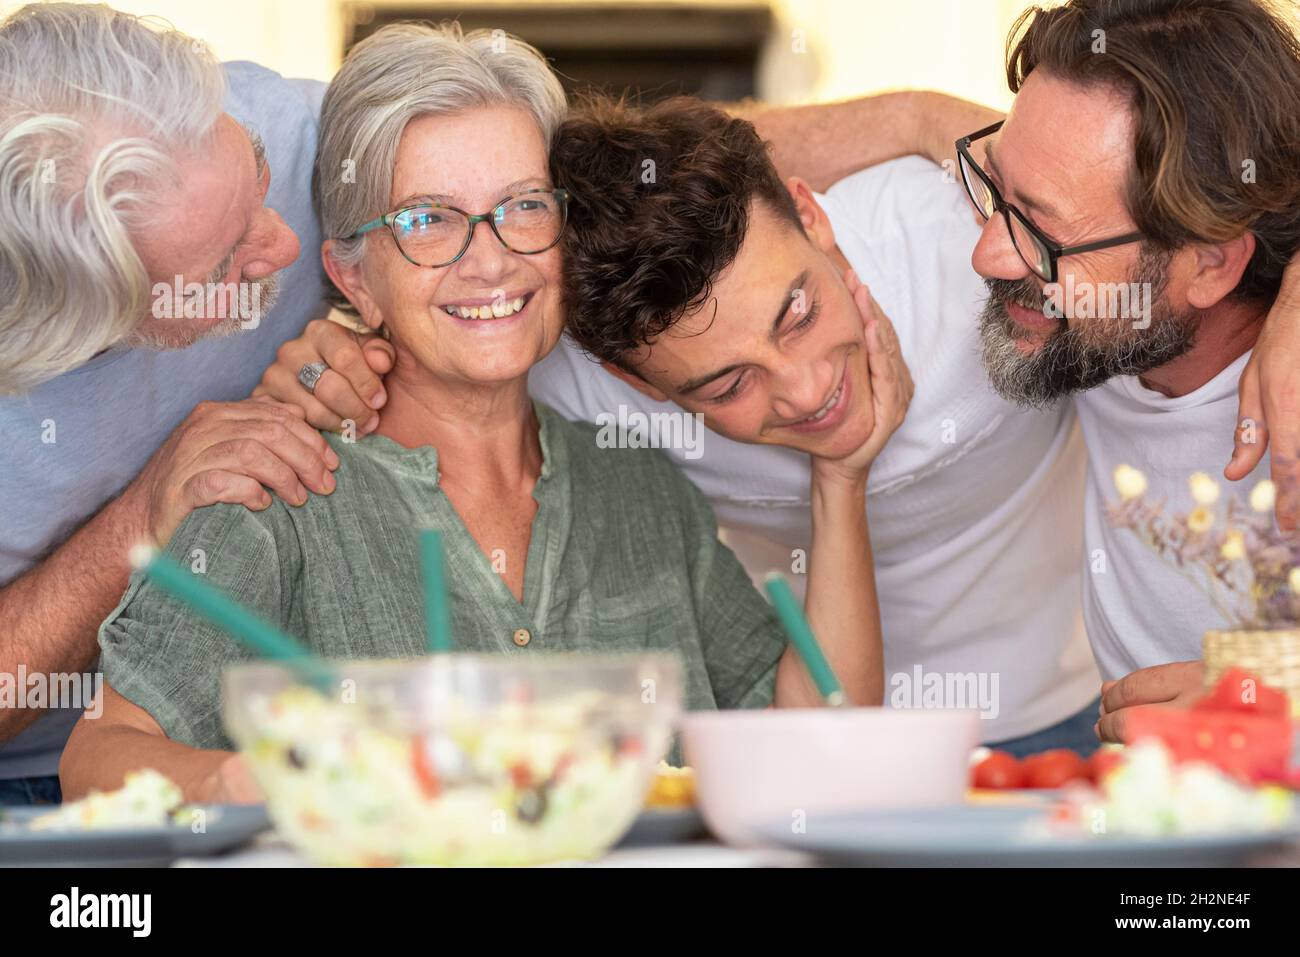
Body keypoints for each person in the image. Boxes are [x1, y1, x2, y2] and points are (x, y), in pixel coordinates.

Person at [58, 23, 905, 803]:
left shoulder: (644, 491)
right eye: (428, 220)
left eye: (524, 206)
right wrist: (279, 781)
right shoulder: (277, 489)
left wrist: (840, 479)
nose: (490, 260)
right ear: (354, 277)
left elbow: (817, 750)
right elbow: (97, 760)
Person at [263, 97, 1104, 754]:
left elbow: (1167, 252)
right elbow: (451, 320)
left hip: (1063, 715)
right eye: (728, 382)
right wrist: (337, 351)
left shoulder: (971, 240)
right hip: (842, 740)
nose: (810, 392)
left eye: (799, 313)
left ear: (813, 215)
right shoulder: (575, 378)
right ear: (637, 385)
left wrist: (918, 114)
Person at [0, 2, 336, 805]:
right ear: (73, 327)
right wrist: (144, 513)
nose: (286, 247)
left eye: (256, 174)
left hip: (270, 743)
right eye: (225, 266)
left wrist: (379, 335)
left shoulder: (278, 131)